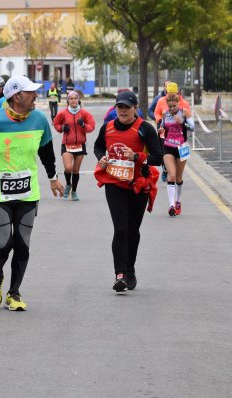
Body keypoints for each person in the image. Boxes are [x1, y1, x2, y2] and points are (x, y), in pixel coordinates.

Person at [0, 75, 64, 311]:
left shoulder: (39, 119)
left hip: (28, 192)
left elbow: (46, 151)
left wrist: (53, 178)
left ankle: (14, 293)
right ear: (17, 96)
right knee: (3, 242)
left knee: (22, 244)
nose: (36, 96)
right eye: (31, 93)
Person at [93, 91, 163, 292]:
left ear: (135, 108)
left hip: (138, 185)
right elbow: (98, 147)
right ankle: (120, 274)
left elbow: (158, 157)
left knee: (132, 230)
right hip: (114, 183)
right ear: (115, 108)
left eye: (127, 107)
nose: (122, 111)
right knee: (120, 228)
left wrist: (137, 156)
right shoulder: (107, 128)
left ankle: (130, 268)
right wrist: (101, 157)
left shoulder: (144, 128)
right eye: (119, 107)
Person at [53, 90, 96, 200]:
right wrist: (62, 128)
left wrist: (83, 125)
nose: (73, 100)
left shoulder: (84, 113)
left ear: (78, 100)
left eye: (75, 98)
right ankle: (68, 183)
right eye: (71, 98)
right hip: (67, 144)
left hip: (80, 145)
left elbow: (92, 126)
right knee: (68, 168)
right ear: (68, 100)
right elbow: (56, 123)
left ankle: (74, 192)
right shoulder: (63, 113)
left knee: (76, 170)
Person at [158, 89, 195, 216]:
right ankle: (172, 205)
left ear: (178, 103)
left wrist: (182, 122)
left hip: (182, 147)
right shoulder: (165, 114)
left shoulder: (184, 112)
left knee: (179, 177)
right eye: (170, 106)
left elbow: (193, 128)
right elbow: (162, 127)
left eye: (174, 106)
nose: (172, 108)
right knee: (171, 175)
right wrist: (161, 130)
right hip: (168, 146)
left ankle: (178, 201)